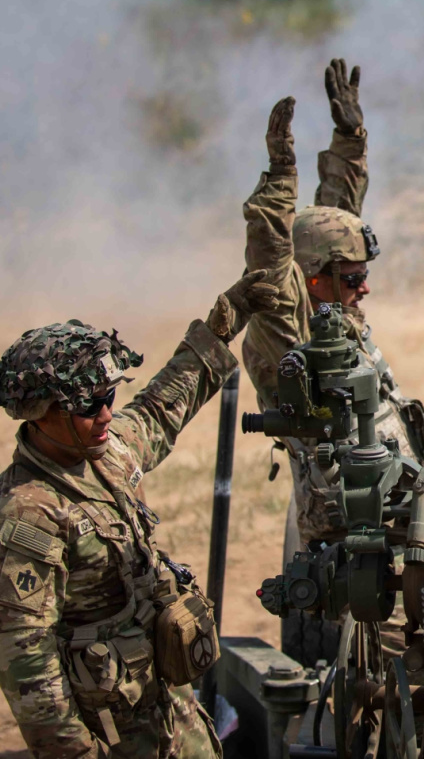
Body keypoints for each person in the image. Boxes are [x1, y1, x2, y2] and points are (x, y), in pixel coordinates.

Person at [0, 272, 278, 758]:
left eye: (109, 397)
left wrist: (223, 326)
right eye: (89, 404)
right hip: (115, 733)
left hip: (168, 706)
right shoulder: (29, 515)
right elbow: (28, 664)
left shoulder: (107, 453)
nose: (107, 414)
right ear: (40, 413)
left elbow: (160, 406)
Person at [243, 62, 424, 664]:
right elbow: (273, 253)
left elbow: (332, 220)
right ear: (311, 280)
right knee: (379, 668)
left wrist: (349, 141)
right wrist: (280, 178)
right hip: (350, 531)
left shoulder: (331, 301)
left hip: (395, 507)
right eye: (352, 278)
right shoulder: (285, 333)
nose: (364, 288)